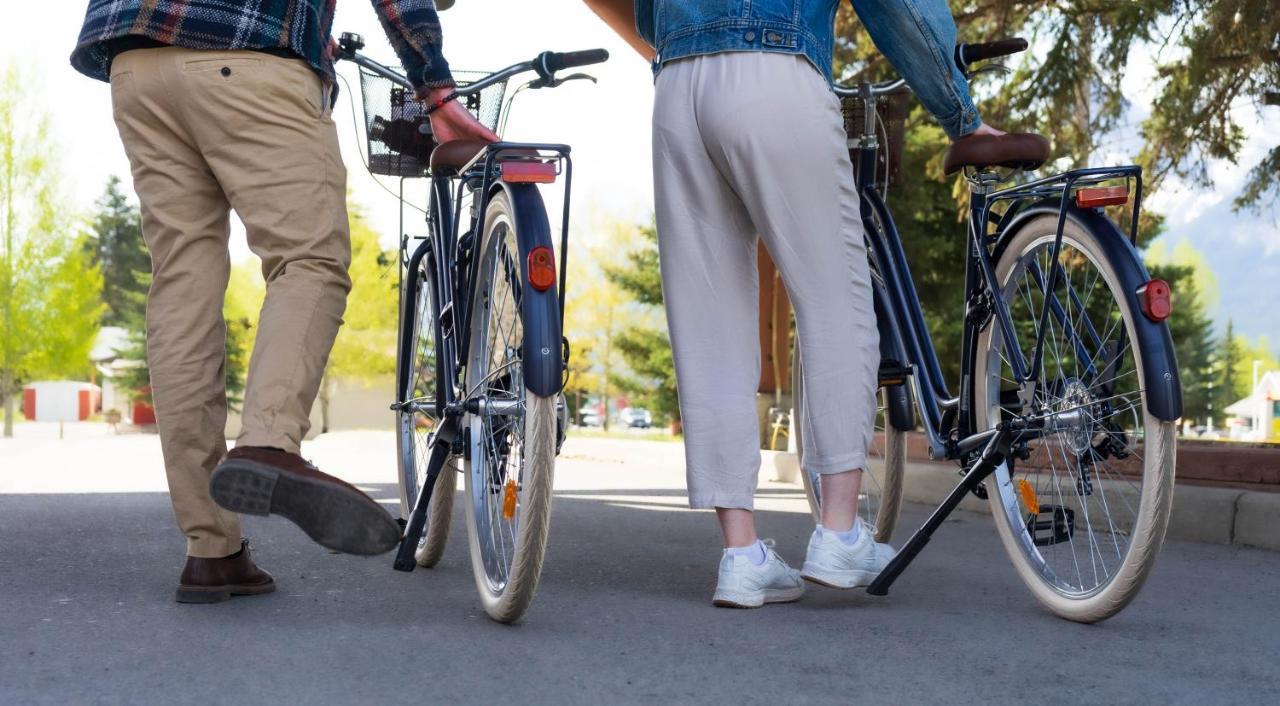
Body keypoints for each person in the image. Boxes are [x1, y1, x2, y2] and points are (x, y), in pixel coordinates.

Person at [584, 0, 1011, 607]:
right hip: (774, 67)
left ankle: (741, 556)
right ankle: (838, 533)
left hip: (676, 89)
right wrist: (959, 112)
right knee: (835, 299)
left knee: (709, 326)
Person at [71, 0, 497, 604]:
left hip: (134, 67)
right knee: (308, 260)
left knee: (181, 286)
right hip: (246, 53)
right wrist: (435, 85)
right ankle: (269, 442)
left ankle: (211, 551)